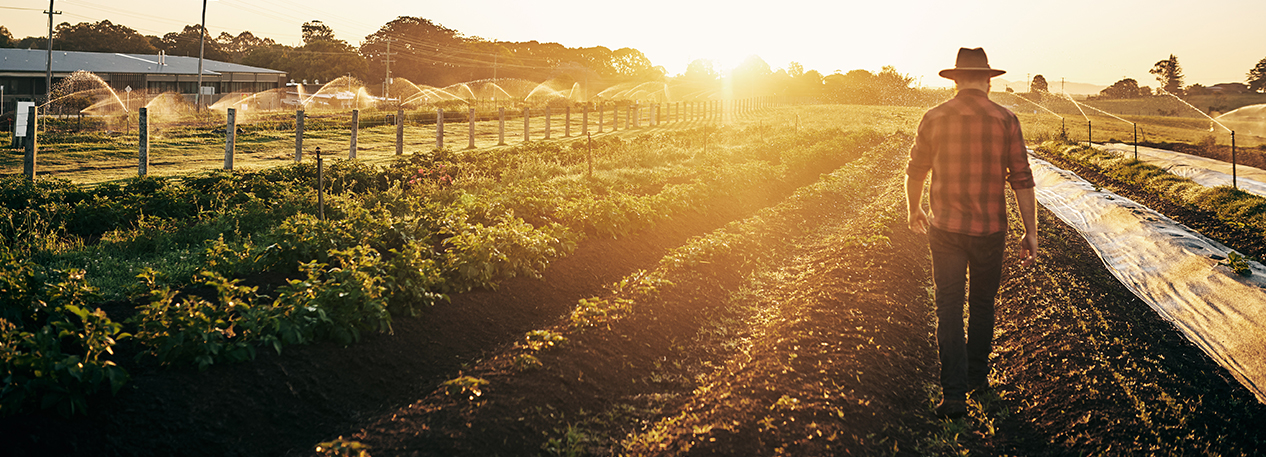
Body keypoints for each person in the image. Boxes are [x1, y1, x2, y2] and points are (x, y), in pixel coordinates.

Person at [904, 47, 1038, 419]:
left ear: (956, 80)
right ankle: (978, 380)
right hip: (990, 229)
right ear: (989, 81)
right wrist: (1031, 232)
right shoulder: (1006, 119)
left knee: (948, 305)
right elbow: (1022, 179)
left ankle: (954, 394)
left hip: (944, 228)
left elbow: (915, 171)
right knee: (981, 304)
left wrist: (914, 209)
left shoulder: (934, 117)